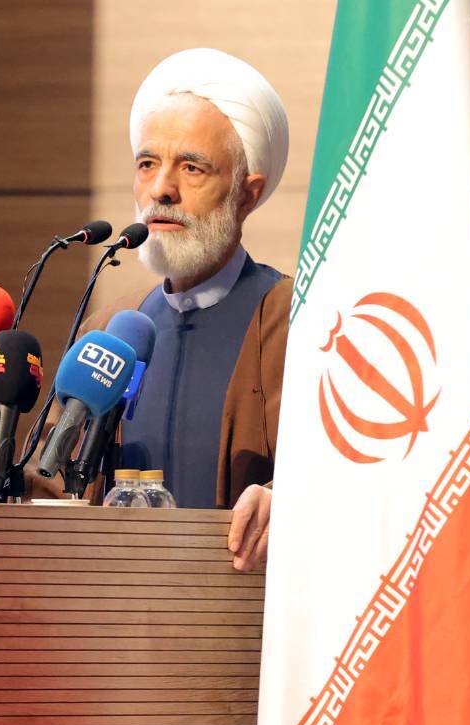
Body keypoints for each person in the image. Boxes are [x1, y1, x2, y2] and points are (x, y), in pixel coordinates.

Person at [27, 48, 290, 573]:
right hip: (117, 611)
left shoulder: (297, 320)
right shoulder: (110, 328)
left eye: (192, 168)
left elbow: (356, 476)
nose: (161, 190)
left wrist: (290, 502)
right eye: (147, 164)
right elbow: (48, 482)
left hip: (244, 613)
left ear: (247, 194)